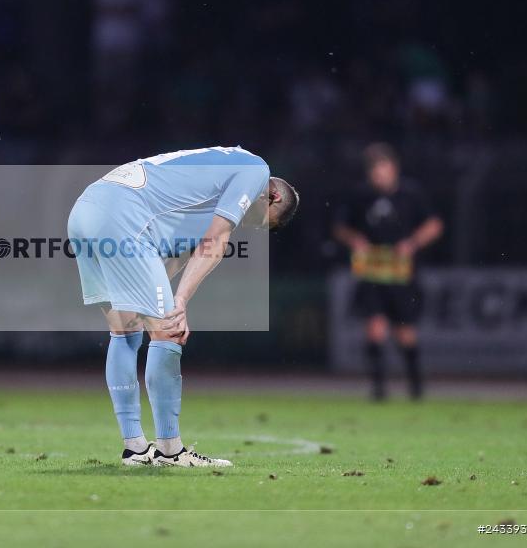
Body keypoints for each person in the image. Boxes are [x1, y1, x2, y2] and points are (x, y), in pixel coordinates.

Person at [67, 146, 298, 467]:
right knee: (169, 333)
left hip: (86, 210)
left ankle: (135, 449)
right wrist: (178, 304)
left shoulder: (200, 196)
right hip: (122, 215)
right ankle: (171, 451)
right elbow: (214, 242)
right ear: (271, 197)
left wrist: (163, 302)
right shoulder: (256, 170)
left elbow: (170, 262)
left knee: (125, 330)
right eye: (262, 221)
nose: (252, 225)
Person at [333, 143, 443, 401]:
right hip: (372, 273)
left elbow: (435, 224)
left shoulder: (411, 194)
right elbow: (341, 228)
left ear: (394, 169)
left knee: (405, 333)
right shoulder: (360, 196)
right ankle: (379, 389)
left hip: (402, 274)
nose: (378, 176)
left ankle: (416, 387)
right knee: (375, 328)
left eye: (383, 170)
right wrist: (355, 240)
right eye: (374, 172)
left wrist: (412, 243)